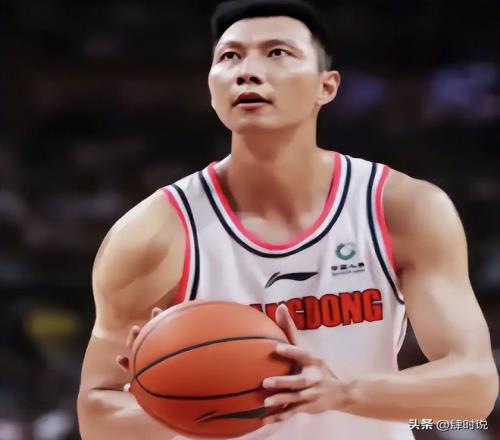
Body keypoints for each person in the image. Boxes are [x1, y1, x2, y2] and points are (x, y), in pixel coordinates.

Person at [77, 0, 499, 439]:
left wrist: (341, 393)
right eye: (230, 56)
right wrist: (177, 400)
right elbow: (96, 413)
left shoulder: (403, 209)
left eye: (277, 53)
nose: (247, 71)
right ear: (211, 88)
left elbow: (474, 388)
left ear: (326, 87)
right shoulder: (152, 235)